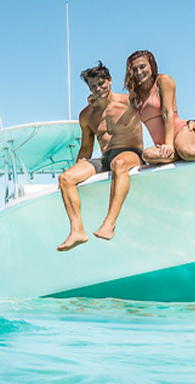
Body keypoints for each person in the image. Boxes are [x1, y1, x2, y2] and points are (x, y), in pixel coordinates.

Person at [57, 61, 144, 250]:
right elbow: (85, 148)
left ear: (110, 80)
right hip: (106, 158)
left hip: (131, 154)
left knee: (119, 163)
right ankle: (77, 231)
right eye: (93, 86)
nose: (98, 88)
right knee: (65, 178)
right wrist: (76, 171)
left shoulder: (130, 102)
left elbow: (160, 113)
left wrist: (189, 124)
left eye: (101, 83)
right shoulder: (87, 115)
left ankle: (109, 223)